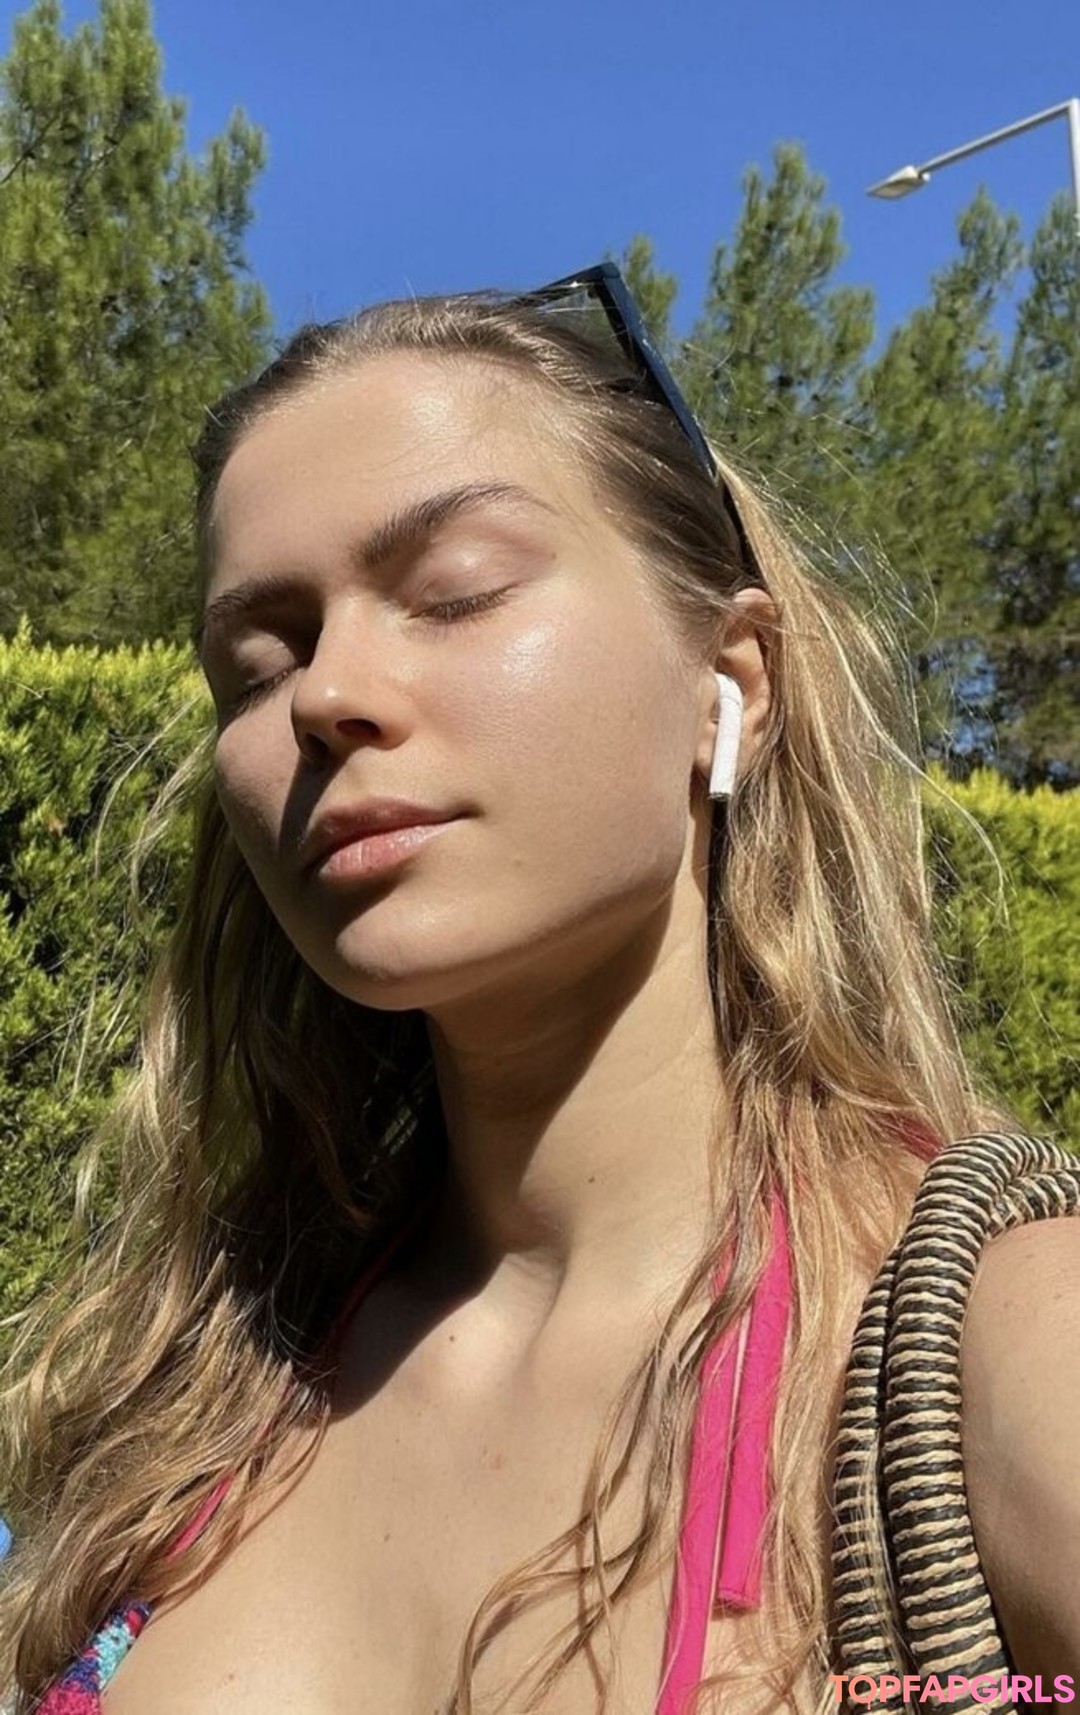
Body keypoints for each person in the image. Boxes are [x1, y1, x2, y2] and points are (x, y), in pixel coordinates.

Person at [1, 263, 1076, 1715]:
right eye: (259, 659)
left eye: (454, 593)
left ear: (734, 682)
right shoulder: (183, 1398)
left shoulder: (1000, 1348)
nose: (323, 695)